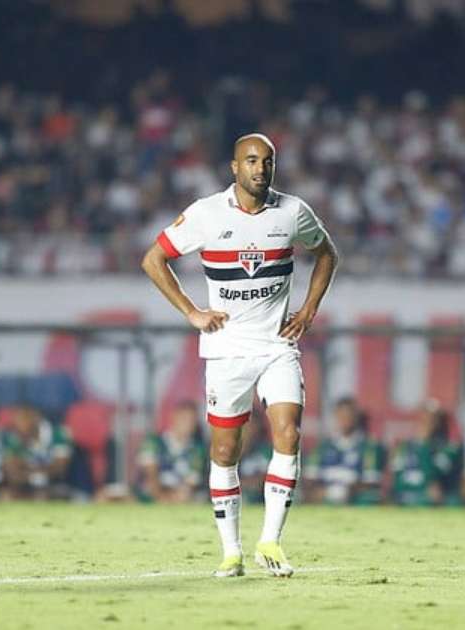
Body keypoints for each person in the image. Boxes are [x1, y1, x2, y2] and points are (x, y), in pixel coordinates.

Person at [142, 133, 338, 577]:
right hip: (227, 350)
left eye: (267, 161)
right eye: (251, 161)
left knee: (288, 432)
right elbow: (154, 259)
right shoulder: (206, 214)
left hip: (276, 346)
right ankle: (231, 552)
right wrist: (191, 311)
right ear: (234, 167)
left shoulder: (293, 212)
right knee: (226, 449)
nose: (260, 169)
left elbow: (327, 253)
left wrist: (308, 309)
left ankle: (270, 541)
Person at [309, 397, 385, 505]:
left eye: (349, 415)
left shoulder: (369, 448)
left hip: (354, 505)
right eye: (341, 415)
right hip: (324, 504)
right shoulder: (321, 447)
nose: (345, 420)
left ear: (356, 417)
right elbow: (309, 479)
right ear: (335, 416)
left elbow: (372, 482)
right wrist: (325, 492)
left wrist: (346, 491)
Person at [390, 401, 462, 507]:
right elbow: (397, 478)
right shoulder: (402, 446)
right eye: (425, 416)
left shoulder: (449, 449)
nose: (428, 421)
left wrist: (424, 445)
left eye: (432, 418)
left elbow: (434, 477)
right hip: (403, 500)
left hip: (428, 502)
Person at [136, 401, 207, 504]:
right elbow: (150, 475)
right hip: (152, 495)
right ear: (174, 418)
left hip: (181, 498)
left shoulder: (198, 450)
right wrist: (161, 496)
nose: (188, 424)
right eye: (184, 419)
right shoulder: (154, 442)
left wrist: (176, 497)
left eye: (192, 421)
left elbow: (191, 482)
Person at [0, 405, 73, 501]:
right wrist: (42, 470)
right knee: (6, 496)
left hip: (57, 486)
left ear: (35, 418)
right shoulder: (16, 439)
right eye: (16, 422)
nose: (18, 426)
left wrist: (26, 467)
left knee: (45, 496)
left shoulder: (58, 434)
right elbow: (12, 472)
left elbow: (59, 469)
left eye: (23, 420)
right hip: (27, 487)